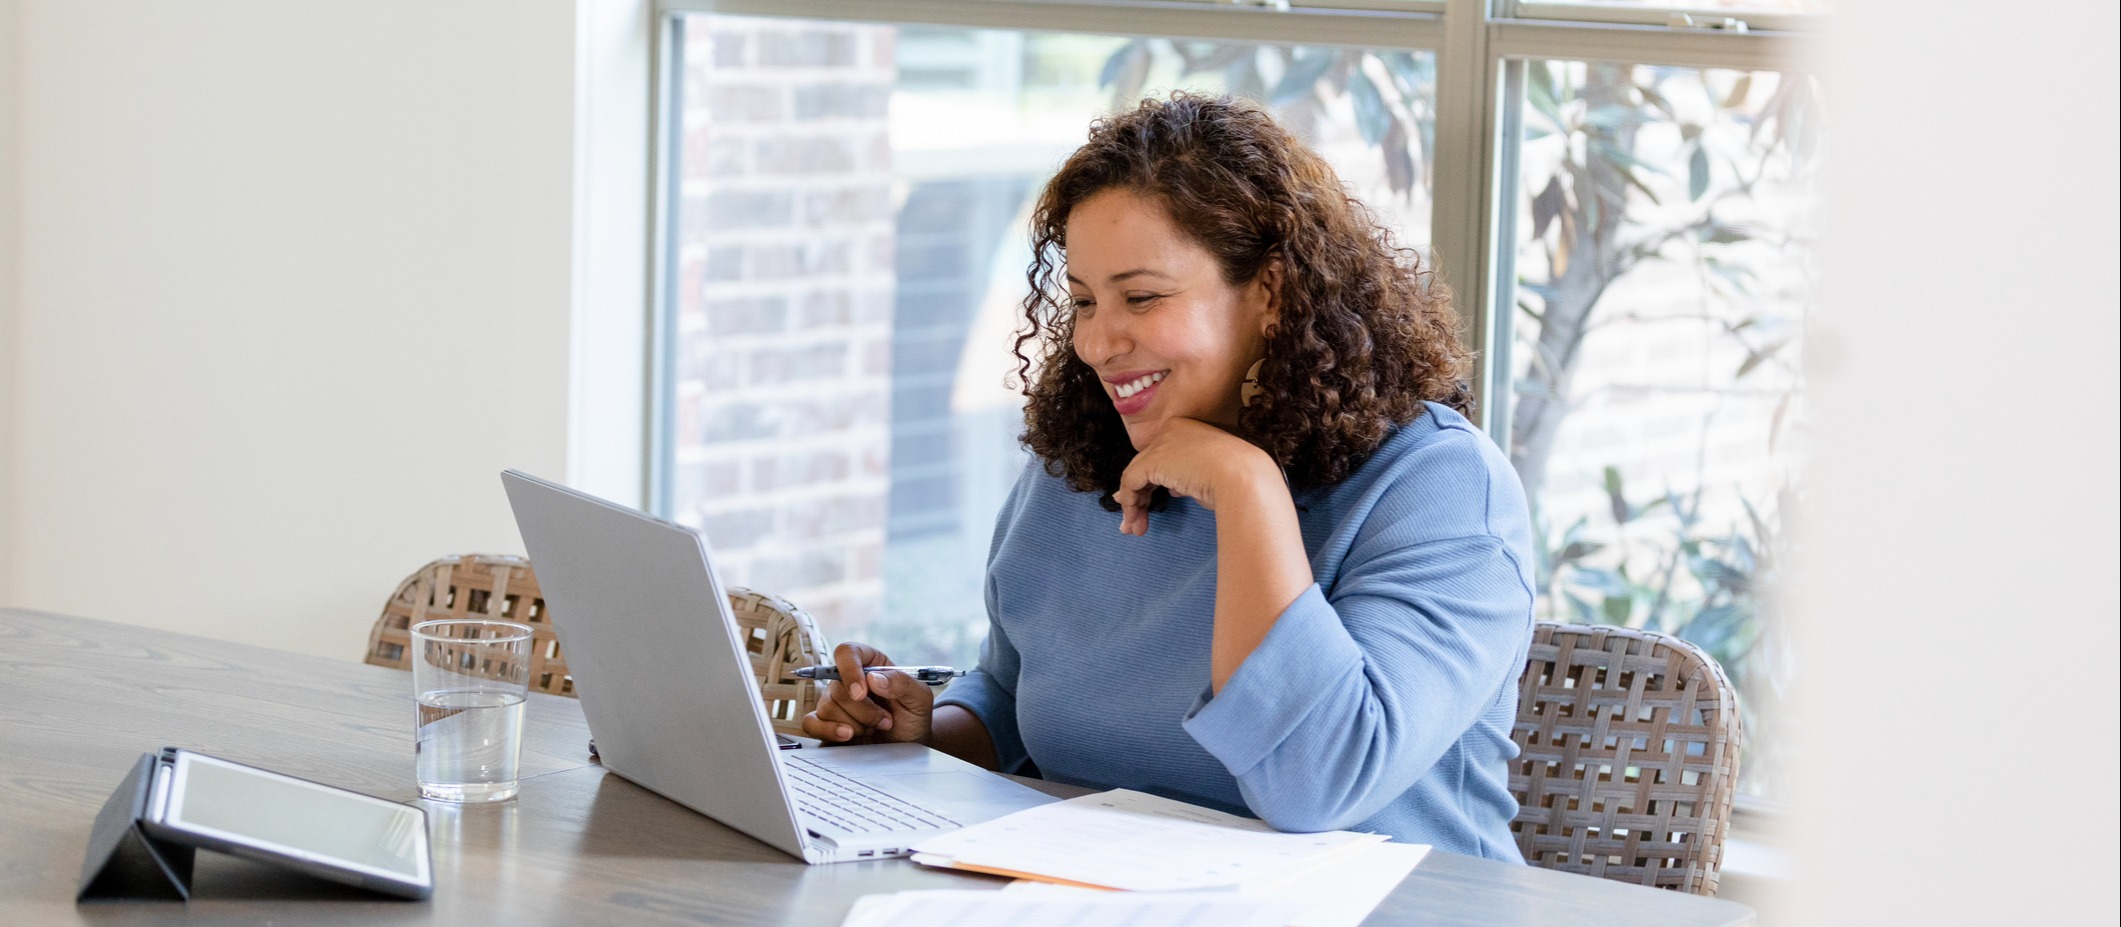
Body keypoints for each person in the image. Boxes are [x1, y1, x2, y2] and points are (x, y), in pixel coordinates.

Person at [802, 92, 1535, 861]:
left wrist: (1245, 486)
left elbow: (1315, 780)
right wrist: (927, 732)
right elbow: (1017, 693)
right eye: (1083, 300)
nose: (1096, 342)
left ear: (1274, 295)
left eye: (1140, 297)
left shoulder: (1439, 489)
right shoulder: (1084, 458)